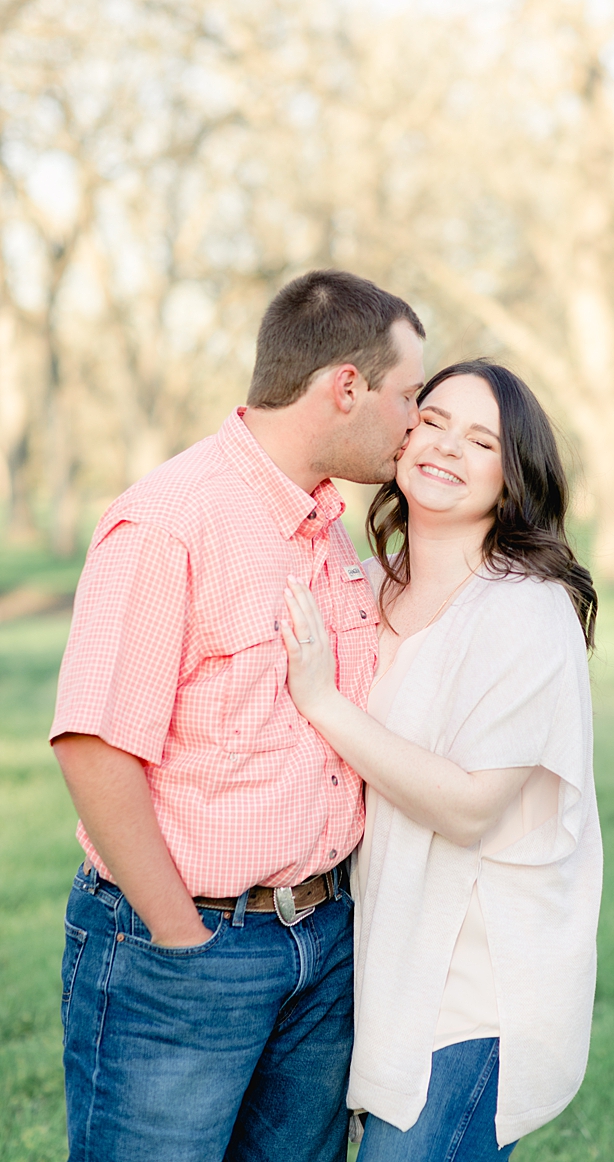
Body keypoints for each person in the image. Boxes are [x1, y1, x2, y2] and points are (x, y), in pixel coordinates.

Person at [49, 269, 426, 1162]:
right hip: (187, 949)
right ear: (345, 387)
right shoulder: (171, 521)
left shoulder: (328, 527)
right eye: (409, 395)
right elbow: (94, 747)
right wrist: (181, 937)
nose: (416, 421)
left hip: (322, 944)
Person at [280, 359, 603, 1161]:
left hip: (472, 993)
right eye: (433, 421)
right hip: (368, 965)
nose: (448, 447)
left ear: (512, 475)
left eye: (482, 439)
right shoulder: (361, 588)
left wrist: (325, 702)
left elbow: (469, 805)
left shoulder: (525, 610)